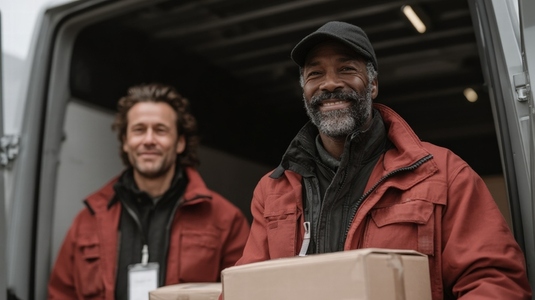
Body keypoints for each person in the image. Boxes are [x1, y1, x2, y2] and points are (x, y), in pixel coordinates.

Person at [232, 21, 532, 299]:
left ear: (372, 85)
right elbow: (244, 289)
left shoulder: (443, 173)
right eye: (315, 74)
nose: (330, 84)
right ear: (304, 90)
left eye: (347, 69)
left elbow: (496, 282)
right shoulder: (272, 191)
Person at [48, 83, 250, 299]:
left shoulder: (226, 219)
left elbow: (245, 292)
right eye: (139, 130)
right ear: (125, 142)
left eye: (160, 130)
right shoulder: (87, 221)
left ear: (180, 142)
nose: (149, 140)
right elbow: (61, 294)